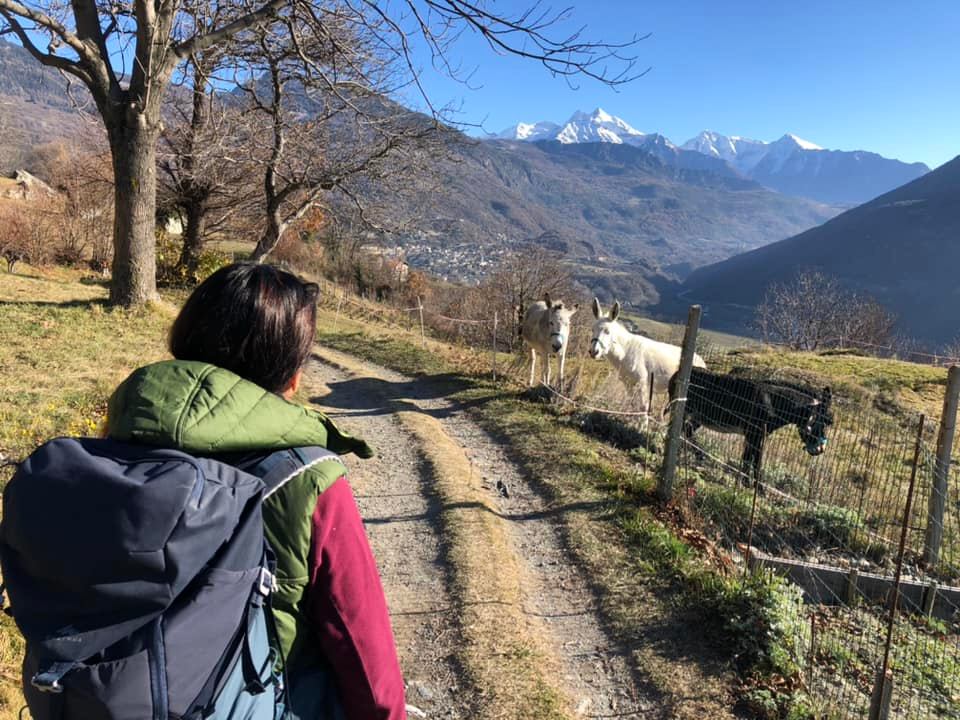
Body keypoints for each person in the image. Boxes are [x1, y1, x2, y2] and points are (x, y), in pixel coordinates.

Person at [106, 262, 407, 719]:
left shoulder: (115, 442)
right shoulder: (308, 476)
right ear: (291, 375)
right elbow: (363, 650)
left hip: (111, 695)